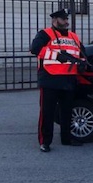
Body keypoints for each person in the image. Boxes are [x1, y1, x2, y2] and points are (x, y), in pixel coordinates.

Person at [30, 8, 86, 152]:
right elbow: (34, 49)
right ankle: (45, 142)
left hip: (69, 80)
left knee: (67, 112)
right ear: (55, 20)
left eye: (67, 19)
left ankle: (66, 139)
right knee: (47, 112)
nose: (67, 22)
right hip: (50, 79)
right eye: (64, 19)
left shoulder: (74, 36)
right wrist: (56, 56)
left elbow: (81, 53)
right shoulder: (45, 34)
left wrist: (83, 62)